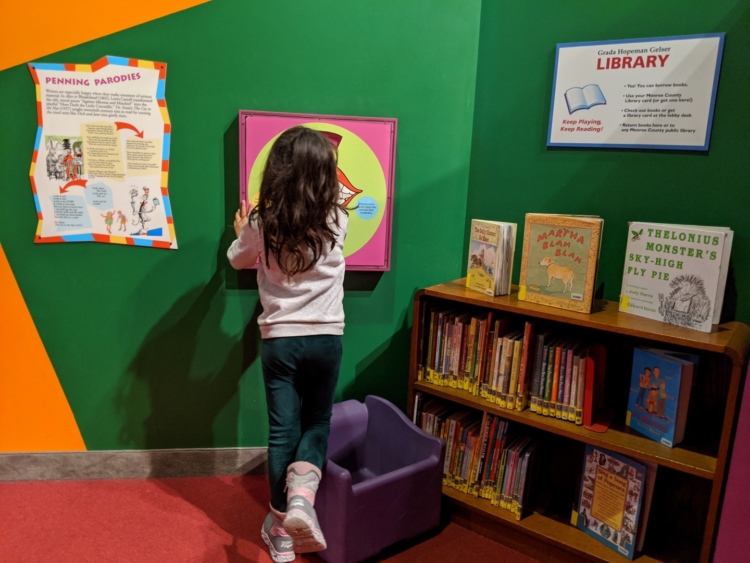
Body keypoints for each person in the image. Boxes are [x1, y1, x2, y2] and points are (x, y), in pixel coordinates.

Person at [227, 126, 347, 563]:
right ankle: (302, 501)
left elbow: (238, 260)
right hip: (327, 336)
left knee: (283, 431)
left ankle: (280, 532)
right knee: (317, 422)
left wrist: (243, 229)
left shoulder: (264, 221)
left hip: (280, 339)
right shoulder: (338, 218)